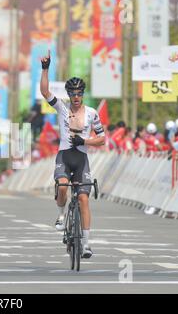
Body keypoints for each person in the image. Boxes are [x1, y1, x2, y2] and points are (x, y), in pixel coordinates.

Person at [40, 50, 105, 259]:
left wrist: (84, 141)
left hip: (81, 159)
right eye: (73, 94)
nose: (76, 97)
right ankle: (60, 216)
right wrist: (45, 68)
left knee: (84, 199)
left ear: (83, 94)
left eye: (79, 94)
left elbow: (103, 139)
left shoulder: (92, 113)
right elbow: (44, 91)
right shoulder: (62, 108)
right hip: (64, 156)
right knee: (61, 187)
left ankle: (86, 244)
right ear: (69, 95)